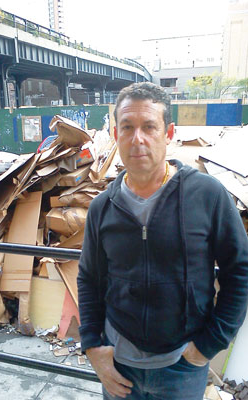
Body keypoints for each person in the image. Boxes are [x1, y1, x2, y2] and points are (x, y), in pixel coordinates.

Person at [77, 82, 248, 400]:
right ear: (116, 136)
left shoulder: (207, 196)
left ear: (168, 134)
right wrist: (92, 345)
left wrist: (208, 345)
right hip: (118, 367)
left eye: (149, 127)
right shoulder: (102, 207)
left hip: (181, 369)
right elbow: (89, 279)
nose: (137, 138)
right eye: (127, 127)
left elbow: (239, 270)